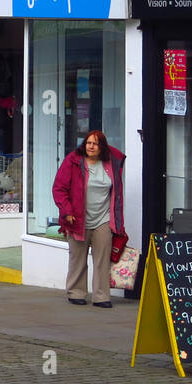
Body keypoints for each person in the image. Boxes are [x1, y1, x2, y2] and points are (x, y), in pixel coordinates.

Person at [53, 129, 127, 308]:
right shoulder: (73, 162)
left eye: (95, 143)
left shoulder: (110, 163)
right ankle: (76, 292)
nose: (91, 146)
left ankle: (101, 296)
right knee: (78, 258)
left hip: (103, 219)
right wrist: (67, 211)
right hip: (77, 218)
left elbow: (119, 156)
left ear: (102, 147)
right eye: (88, 143)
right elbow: (59, 189)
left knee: (102, 259)